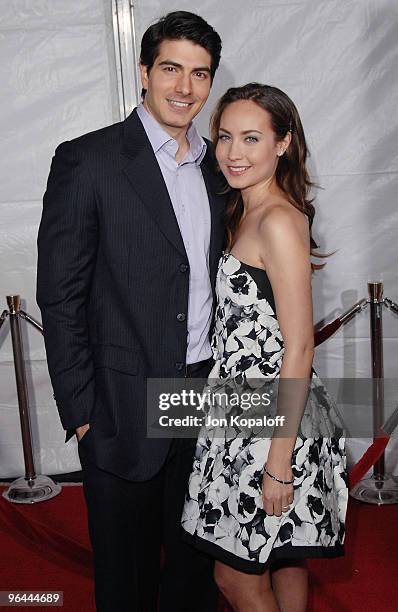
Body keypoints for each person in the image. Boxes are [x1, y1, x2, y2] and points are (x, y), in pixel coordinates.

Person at [36, 11, 225, 612]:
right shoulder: (87, 161)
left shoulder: (222, 168)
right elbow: (59, 295)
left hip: (204, 393)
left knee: (195, 566)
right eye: (171, 68)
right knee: (126, 576)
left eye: (200, 74)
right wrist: (82, 410)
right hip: (119, 405)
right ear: (144, 72)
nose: (185, 88)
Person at [182, 83, 348, 611]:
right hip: (239, 407)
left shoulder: (277, 220)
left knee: (235, 580)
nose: (234, 152)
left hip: (273, 420)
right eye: (226, 136)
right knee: (283, 556)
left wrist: (279, 461)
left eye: (252, 138)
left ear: (283, 143)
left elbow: (300, 347)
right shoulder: (244, 210)